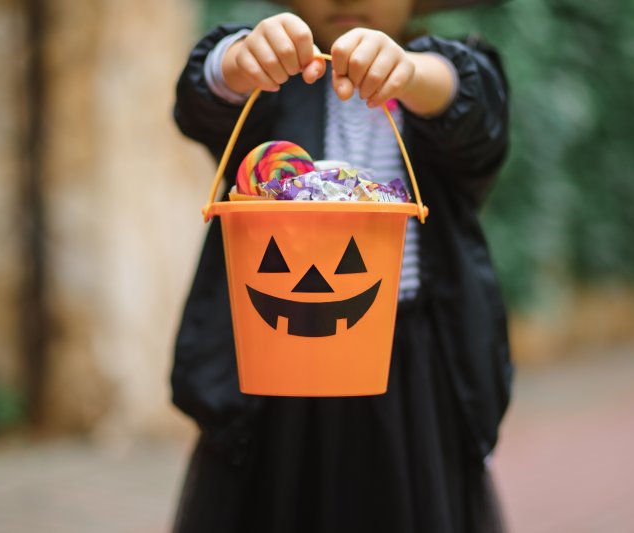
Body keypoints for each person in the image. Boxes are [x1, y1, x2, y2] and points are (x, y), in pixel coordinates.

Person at [170, 0, 512, 531]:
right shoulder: (271, 86)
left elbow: (477, 110)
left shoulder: (437, 77)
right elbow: (201, 99)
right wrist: (239, 62)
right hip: (273, 369)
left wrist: (410, 73)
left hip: (409, 369)